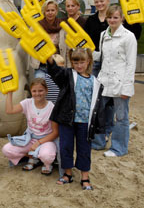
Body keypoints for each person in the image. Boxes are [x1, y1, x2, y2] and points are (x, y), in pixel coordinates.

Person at [46, 48, 104, 190]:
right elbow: (55, 72)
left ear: (88, 61)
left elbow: (98, 106)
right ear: (71, 62)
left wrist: (97, 125)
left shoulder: (95, 82)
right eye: (75, 62)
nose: (79, 65)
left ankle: (85, 176)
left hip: (85, 121)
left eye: (82, 62)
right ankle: (67, 174)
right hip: (67, 120)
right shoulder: (68, 75)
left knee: (84, 149)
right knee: (66, 146)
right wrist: (49, 58)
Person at [91, 5, 137, 157]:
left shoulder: (129, 37)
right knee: (98, 112)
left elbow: (131, 64)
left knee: (121, 117)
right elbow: (103, 56)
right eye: (109, 17)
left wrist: (127, 88)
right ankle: (98, 143)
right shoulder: (104, 34)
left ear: (121, 18)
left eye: (115, 17)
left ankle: (119, 148)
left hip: (120, 82)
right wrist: (89, 53)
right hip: (104, 80)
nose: (112, 20)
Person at [2, 79, 58, 175]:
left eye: (40, 90)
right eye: (34, 91)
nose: (37, 93)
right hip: (30, 138)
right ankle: (33, 157)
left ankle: (46, 163)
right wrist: (9, 92)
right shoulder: (27, 103)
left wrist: (39, 143)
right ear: (31, 92)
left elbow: (55, 132)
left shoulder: (52, 107)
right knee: (7, 149)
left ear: (46, 91)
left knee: (47, 156)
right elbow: (9, 110)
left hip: (46, 140)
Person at [31, 0, 62, 78]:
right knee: (40, 87)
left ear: (56, 11)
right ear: (44, 12)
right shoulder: (36, 27)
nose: (50, 13)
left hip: (58, 66)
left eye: (52, 10)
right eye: (47, 10)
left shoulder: (62, 26)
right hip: (41, 66)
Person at [58, 0, 87, 68]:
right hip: (64, 57)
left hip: (79, 57)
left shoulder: (84, 22)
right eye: (68, 6)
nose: (70, 8)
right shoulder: (62, 22)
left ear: (78, 7)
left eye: (73, 6)